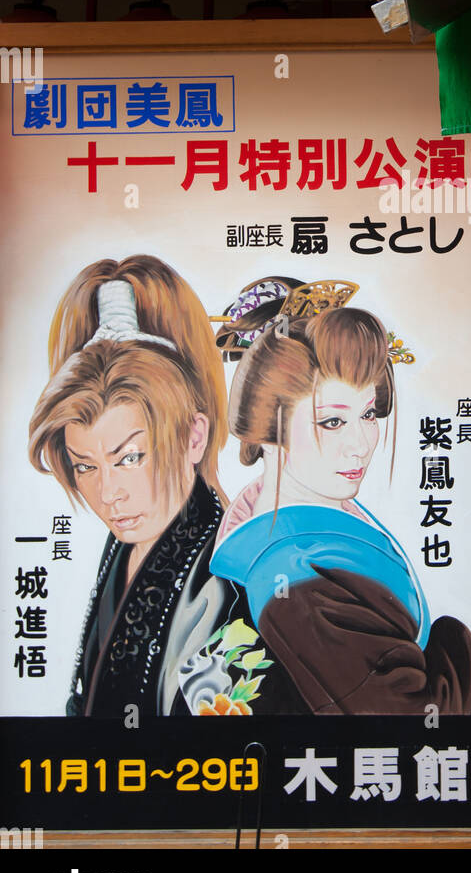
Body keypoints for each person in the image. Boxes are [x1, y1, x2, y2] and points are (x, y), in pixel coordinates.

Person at [210, 277, 471, 715]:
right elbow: (411, 718)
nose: (361, 444)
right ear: (268, 432)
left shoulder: (302, 520)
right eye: (331, 423)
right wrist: (453, 642)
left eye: (367, 414)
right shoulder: (295, 584)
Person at [28, 255, 284, 717]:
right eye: (85, 467)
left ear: (193, 436)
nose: (109, 494)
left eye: (130, 458)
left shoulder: (229, 579)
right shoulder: (126, 545)